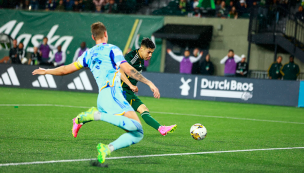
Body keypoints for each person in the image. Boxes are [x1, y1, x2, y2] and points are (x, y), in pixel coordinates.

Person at [32, 22, 160, 164]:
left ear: (93, 37)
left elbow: (65, 69)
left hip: (104, 96)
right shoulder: (113, 49)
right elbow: (128, 69)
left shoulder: (88, 54)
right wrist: (149, 83)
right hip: (112, 93)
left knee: (138, 133)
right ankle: (95, 115)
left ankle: (107, 148)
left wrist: (46, 71)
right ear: (106, 34)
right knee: (135, 127)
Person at [121, 38, 177, 136]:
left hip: (128, 91)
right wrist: (131, 84)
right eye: (149, 52)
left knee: (144, 109)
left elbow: (133, 74)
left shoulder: (141, 60)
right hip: (121, 90)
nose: (150, 55)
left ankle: (161, 128)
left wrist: (132, 85)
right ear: (141, 48)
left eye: (152, 53)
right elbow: (120, 70)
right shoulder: (132, 57)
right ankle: (84, 118)